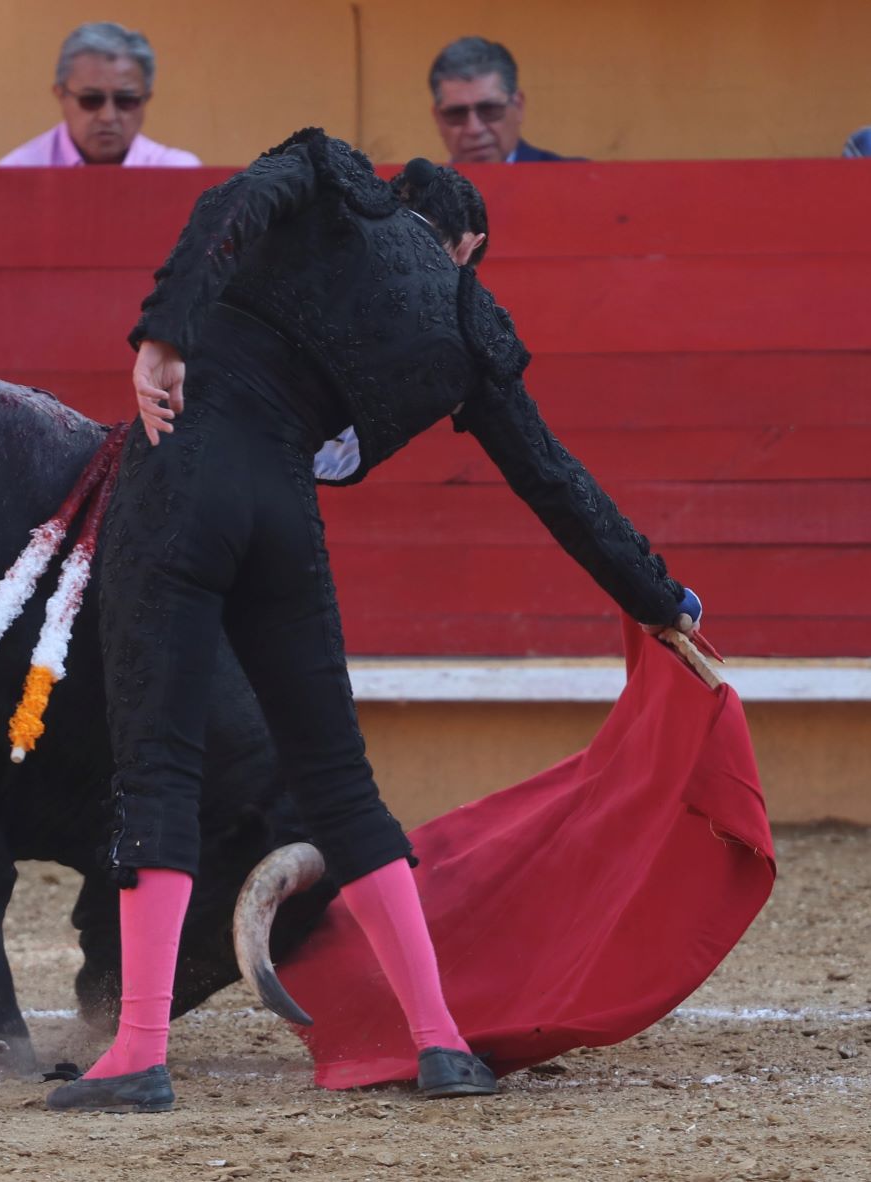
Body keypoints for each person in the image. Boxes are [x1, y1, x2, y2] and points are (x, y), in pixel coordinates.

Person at [44, 130, 701, 1113]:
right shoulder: (462, 315)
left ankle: (138, 1052)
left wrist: (163, 337)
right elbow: (551, 479)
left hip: (180, 471)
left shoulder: (330, 180)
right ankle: (441, 1042)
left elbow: (226, 206)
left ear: (399, 197)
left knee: (159, 766)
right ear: (468, 247)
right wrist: (659, 598)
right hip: (283, 512)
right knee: (340, 781)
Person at [0, 22, 200, 168]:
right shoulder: (18, 172)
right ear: (60, 95)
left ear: (146, 99)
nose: (108, 116)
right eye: (91, 100)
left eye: (126, 100)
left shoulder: (178, 173)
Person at [428, 37, 575, 164]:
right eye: (456, 114)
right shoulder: (422, 188)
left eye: (489, 109)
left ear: (518, 106)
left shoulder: (574, 179)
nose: (474, 129)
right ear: (438, 119)